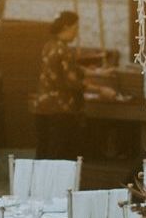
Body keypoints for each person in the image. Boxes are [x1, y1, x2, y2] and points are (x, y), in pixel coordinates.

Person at [30, 11, 115, 159]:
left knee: (43, 152)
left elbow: (69, 69)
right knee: (60, 154)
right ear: (66, 27)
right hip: (60, 110)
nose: (76, 33)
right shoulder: (64, 50)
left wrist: (97, 73)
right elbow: (73, 82)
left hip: (42, 107)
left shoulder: (49, 46)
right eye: (75, 29)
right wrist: (101, 90)